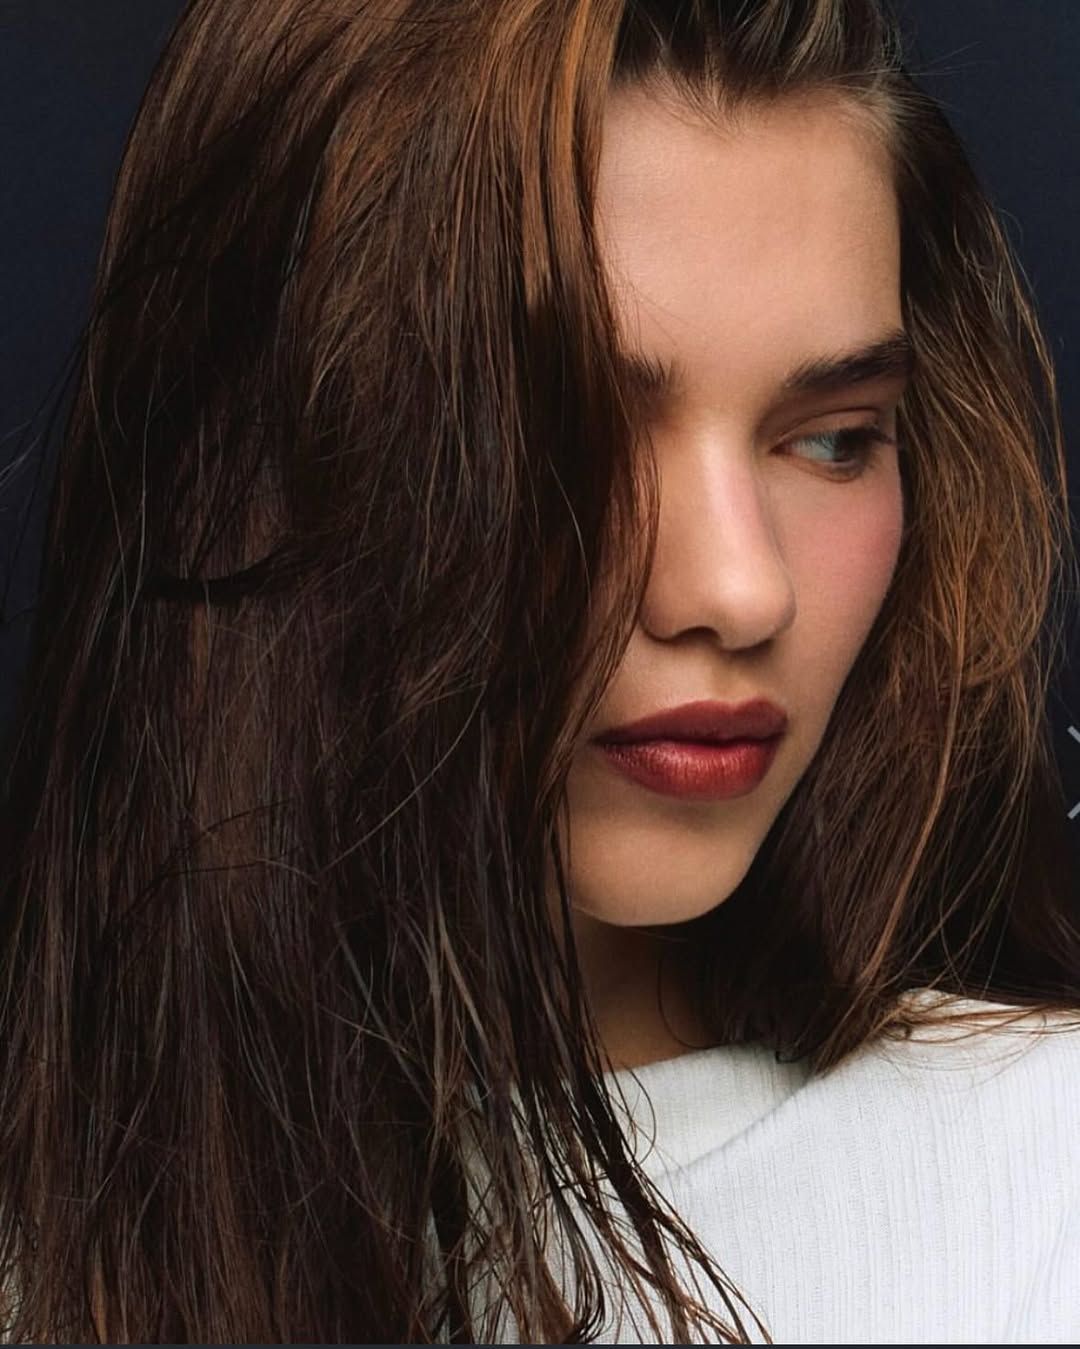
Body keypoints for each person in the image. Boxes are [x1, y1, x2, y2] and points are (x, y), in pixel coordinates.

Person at [1, 0, 1077, 1341]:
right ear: (271, 457)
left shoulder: (1044, 1181)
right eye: (569, 431)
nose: (742, 589)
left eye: (834, 438)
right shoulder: (53, 1254)